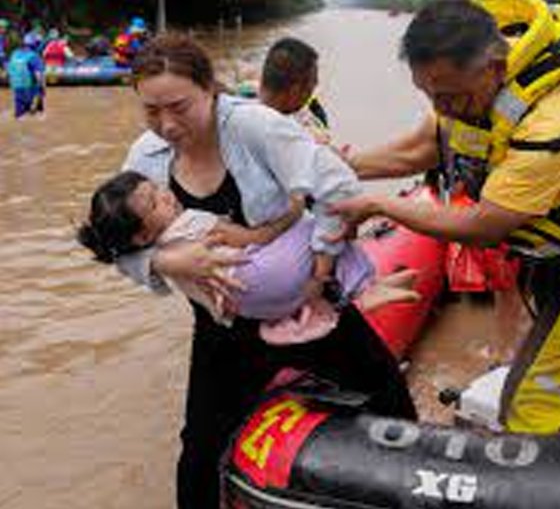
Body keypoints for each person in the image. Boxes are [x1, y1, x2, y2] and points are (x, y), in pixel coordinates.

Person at [333, 0, 560, 434]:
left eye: (448, 96)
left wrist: (378, 204)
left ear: (494, 68)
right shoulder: (465, 86)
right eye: (429, 95)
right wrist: (341, 166)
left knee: (531, 408)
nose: (440, 108)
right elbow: (425, 147)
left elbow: (487, 224)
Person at [114, 34, 416, 509]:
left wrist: (319, 273)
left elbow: (337, 185)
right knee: (198, 448)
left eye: (178, 107)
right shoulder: (145, 157)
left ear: (210, 89)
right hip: (226, 328)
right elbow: (113, 239)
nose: (166, 125)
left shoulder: (257, 126)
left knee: (390, 398)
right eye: (151, 111)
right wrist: (166, 260)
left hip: (311, 309)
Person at [77, 172, 418, 343]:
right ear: (141, 235)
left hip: (251, 308)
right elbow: (250, 237)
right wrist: (295, 208)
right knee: (321, 220)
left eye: (158, 190)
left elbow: (120, 251)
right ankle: (365, 288)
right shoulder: (190, 223)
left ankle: (355, 291)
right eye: (155, 203)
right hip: (261, 277)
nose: (166, 196)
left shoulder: (154, 242)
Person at [258, 37, 332, 142]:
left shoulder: (235, 114)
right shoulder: (289, 139)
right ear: (295, 91)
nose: (316, 85)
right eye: (312, 84)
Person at [7, 33, 45, 119]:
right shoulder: (34, 57)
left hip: (16, 87)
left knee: (19, 115)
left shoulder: (14, 54)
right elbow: (38, 75)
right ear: (36, 45)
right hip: (30, 87)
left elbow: (10, 70)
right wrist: (42, 88)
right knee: (37, 114)